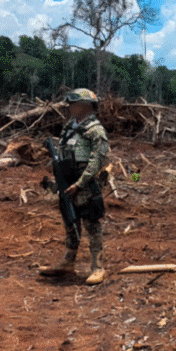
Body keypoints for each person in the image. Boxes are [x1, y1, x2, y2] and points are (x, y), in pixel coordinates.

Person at [40, 88, 110, 285]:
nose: (69, 107)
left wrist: (80, 184)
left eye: (73, 103)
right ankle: (68, 262)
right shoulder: (69, 127)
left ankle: (97, 266)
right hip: (67, 181)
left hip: (85, 183)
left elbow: (97, 160)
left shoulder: (95, 130)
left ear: (86, 105)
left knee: (92, 225)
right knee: (71, 223)